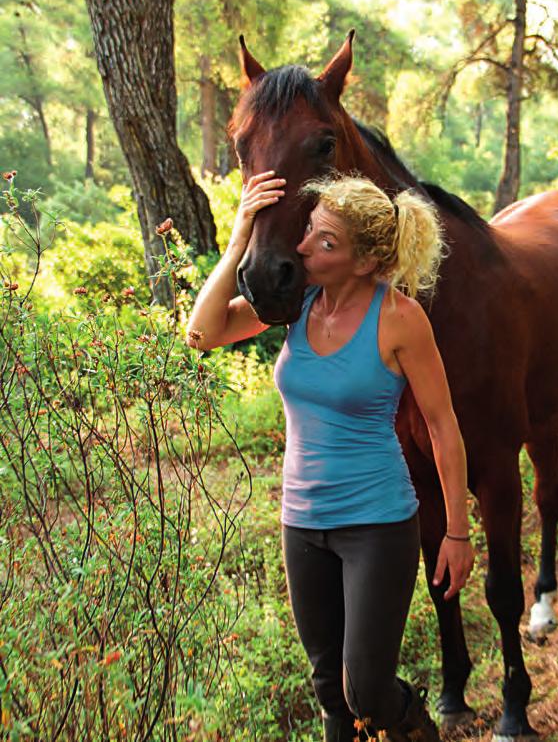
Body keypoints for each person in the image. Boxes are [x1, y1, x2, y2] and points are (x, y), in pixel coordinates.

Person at [185, 171, 475, 741]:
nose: (303, 247)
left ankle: (417, 731)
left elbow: (443, 425)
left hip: (378, 523)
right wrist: (241, 234)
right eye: (310, 231)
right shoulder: (297, 302)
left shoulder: (399, 318)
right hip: (302, 521)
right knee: (328, 689)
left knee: (364, 687)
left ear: (365, 262)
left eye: (325, 242)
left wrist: (458, 532)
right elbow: (201, 334)